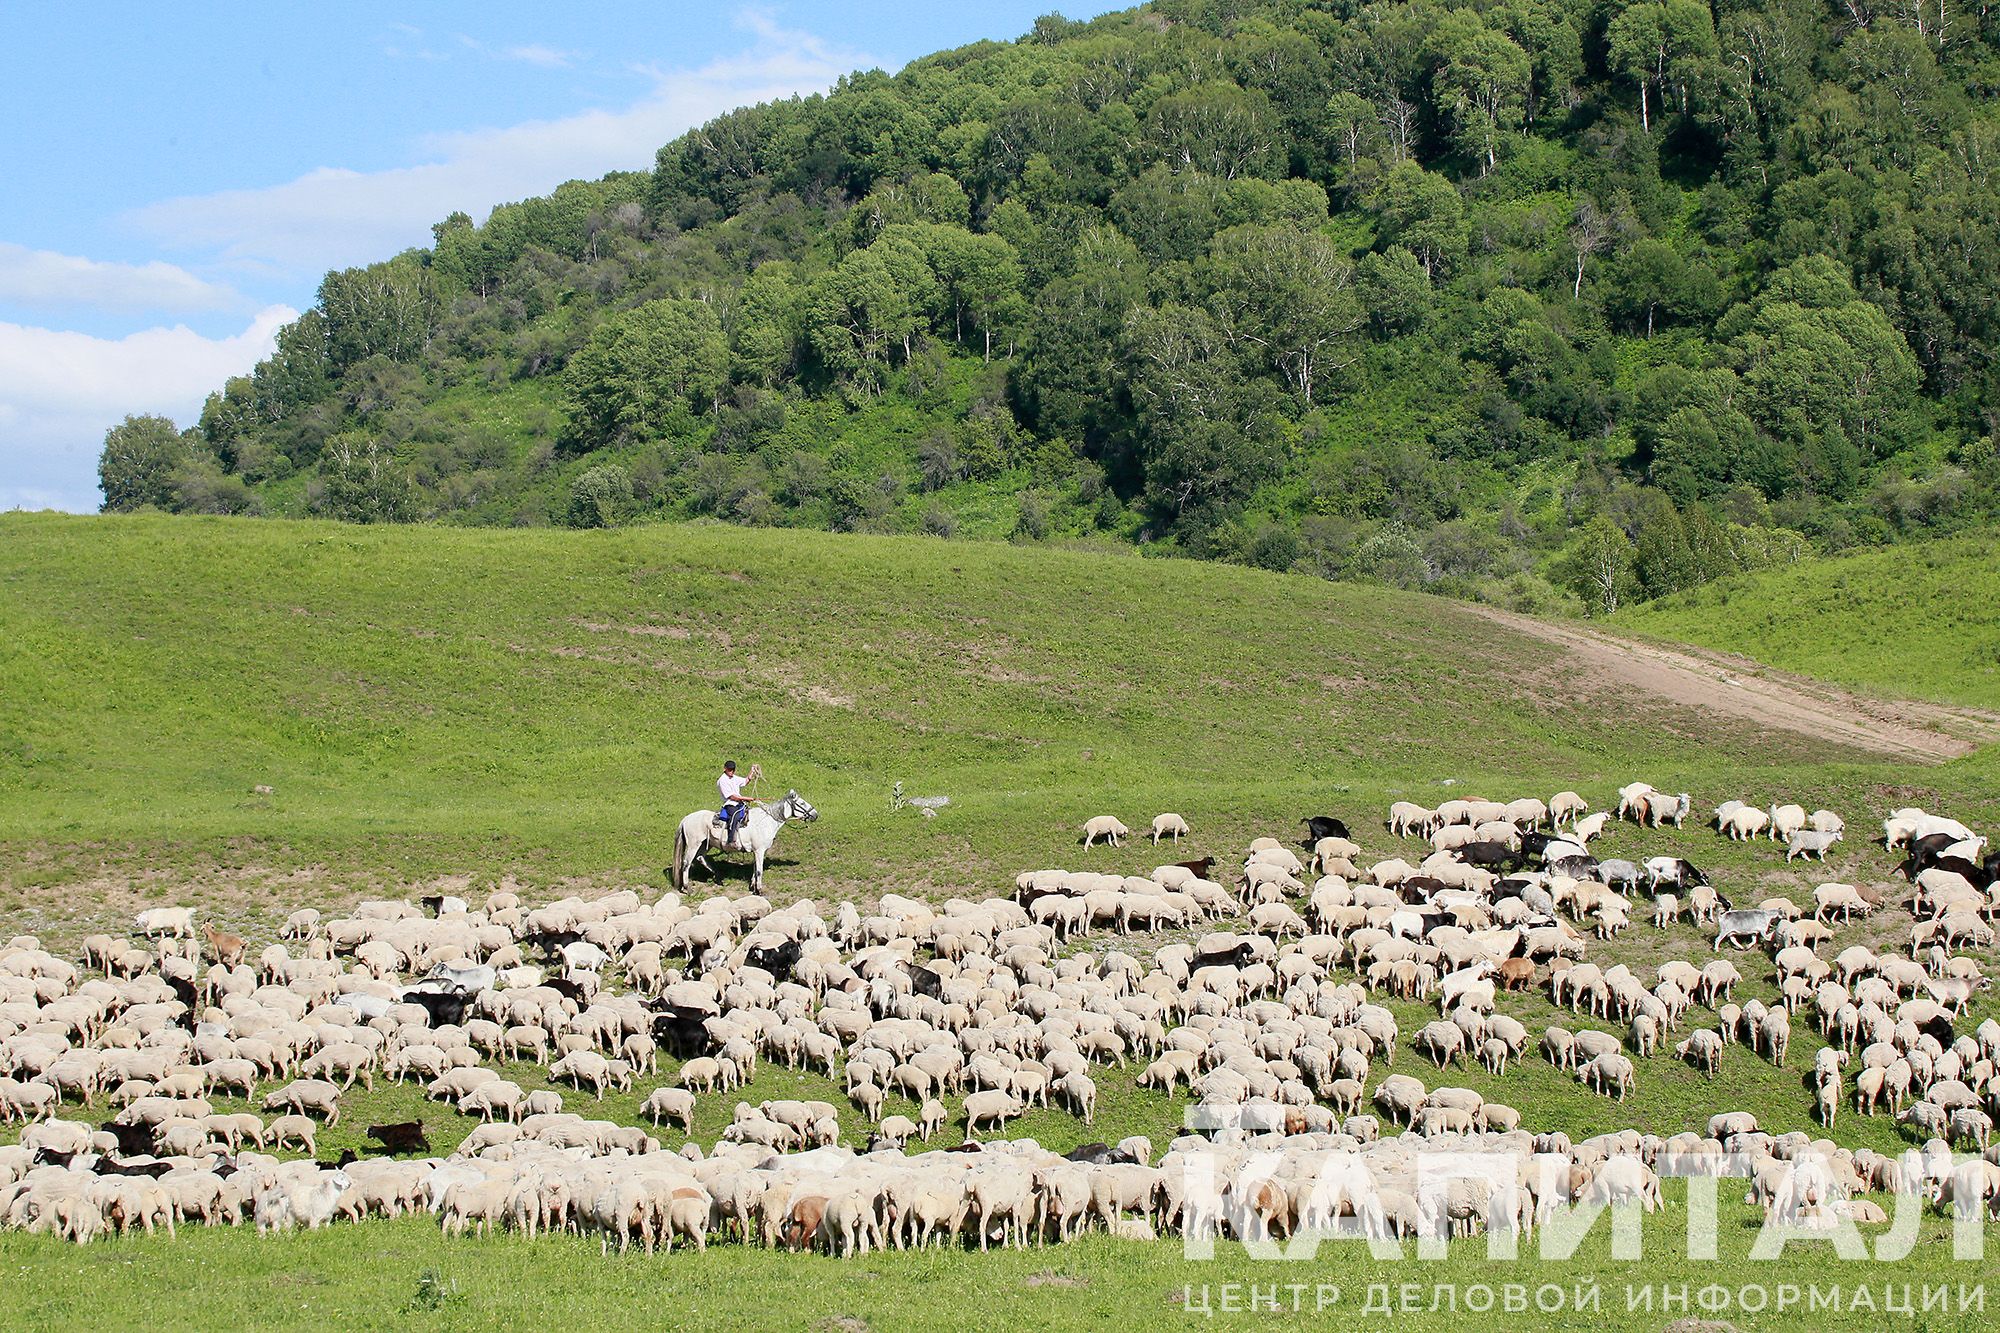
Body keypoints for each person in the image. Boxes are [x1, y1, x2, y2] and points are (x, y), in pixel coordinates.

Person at [717, 760, 750, 848]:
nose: (731, 772)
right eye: (730, 770)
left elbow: (745, 781)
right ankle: (730, 840)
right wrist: (746, 798)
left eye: (733, 770)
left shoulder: (735, 778)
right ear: (725, 769)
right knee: (735, 816)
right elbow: (731, 797)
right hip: (730, 804)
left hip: (739, 803)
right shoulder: (722, 780)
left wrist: (752, 772)